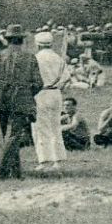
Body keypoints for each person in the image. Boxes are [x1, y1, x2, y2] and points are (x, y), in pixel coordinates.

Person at [0, 24, 43, 179]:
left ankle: (16, 173)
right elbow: (39, 83)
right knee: (14, 137)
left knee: (9, 138)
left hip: (1, 102)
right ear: (21, 40)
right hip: (21, 101)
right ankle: (0, 174)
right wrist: (28, 93)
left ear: (7, 40)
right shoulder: (30, 57)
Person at [32, 31, 68, 171]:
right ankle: (57, 160)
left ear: (38, 45)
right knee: (55, 126)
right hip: (55, 93)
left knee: (41, 127)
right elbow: (66, 78)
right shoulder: (59, 58)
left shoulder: (35, 58)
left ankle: (44, 161)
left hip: (41, 93)